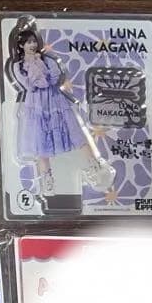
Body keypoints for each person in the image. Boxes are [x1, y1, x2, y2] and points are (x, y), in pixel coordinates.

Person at [10, 29, 115, 194]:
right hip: (36, 105)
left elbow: (54, 77)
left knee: (74, 131)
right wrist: (34, 64)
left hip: (55, 100)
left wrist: (40, 64)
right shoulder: (19, 66)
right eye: (28, 42)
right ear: (21, 45)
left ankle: (96, 166)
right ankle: (46, 180)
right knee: (40, 142)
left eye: (34, 41)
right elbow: (31, 85)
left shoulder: (46, 59)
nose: (32, 45)